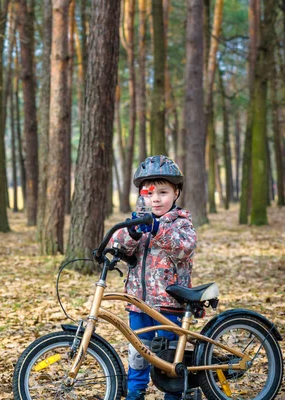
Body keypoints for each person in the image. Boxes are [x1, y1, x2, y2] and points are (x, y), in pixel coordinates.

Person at [108, 155, 197, 400]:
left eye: (163, 192)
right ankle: (135, 393)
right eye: (149, 193)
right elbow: (117, 245)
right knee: (138, 352)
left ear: (176, 192)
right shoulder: (137, 221)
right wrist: (132, 234)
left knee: (168, 355)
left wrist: (157, 229)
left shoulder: (181, 223)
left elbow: (184, 248)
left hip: (170, 303)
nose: (155, 199)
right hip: (138, 302)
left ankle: (174, 396)